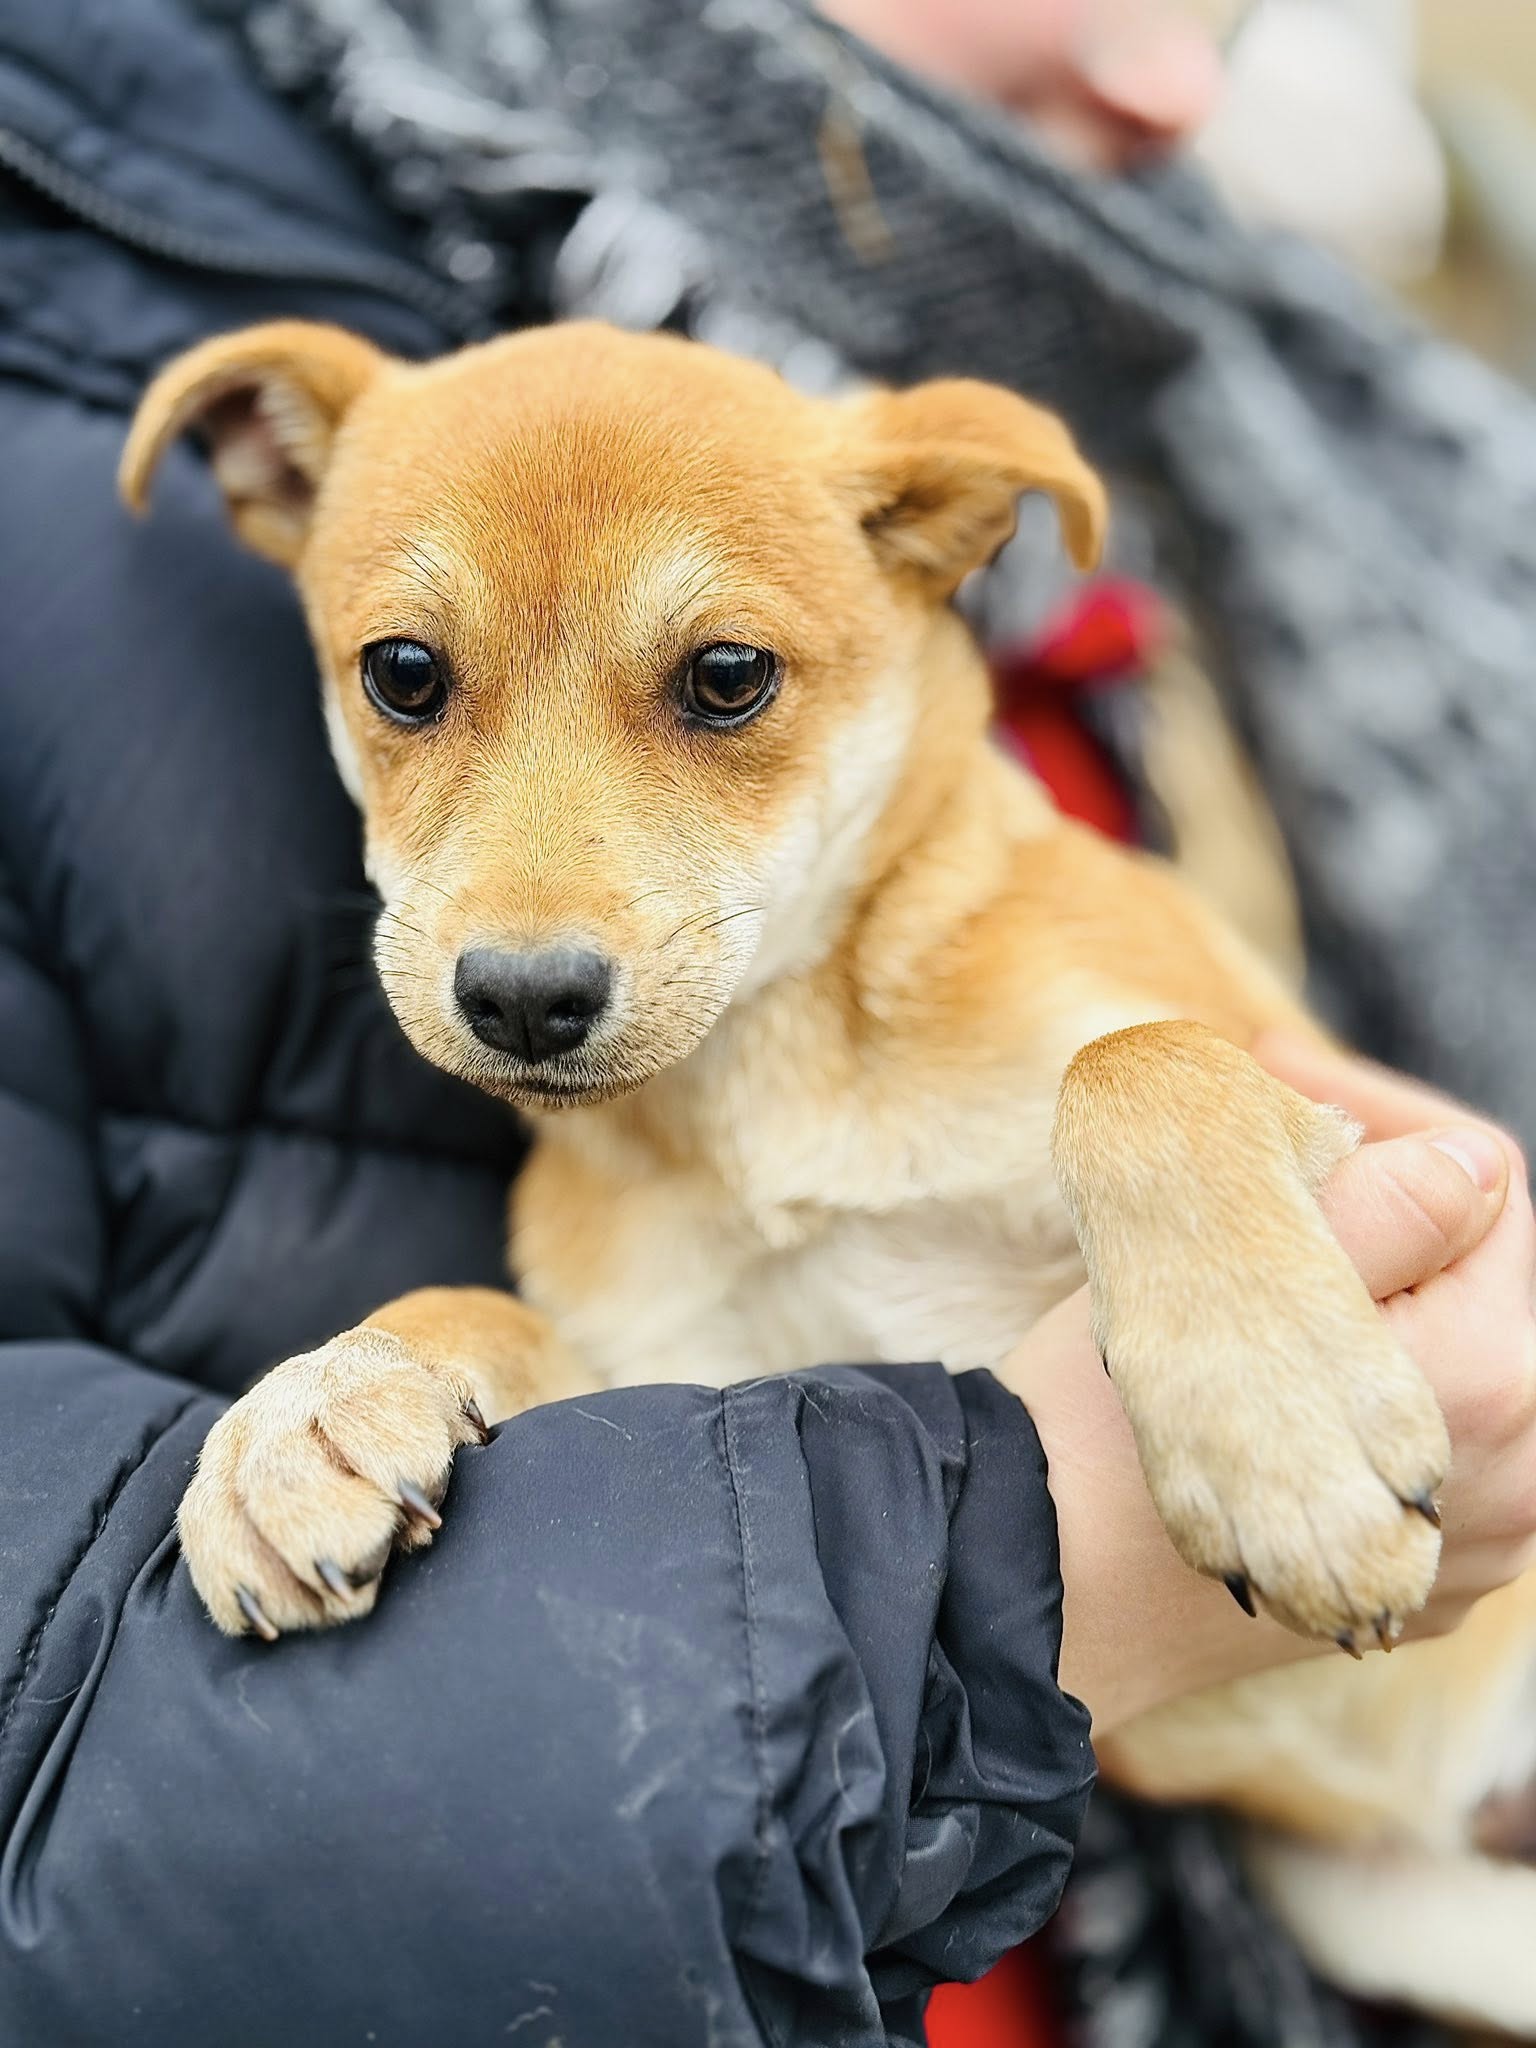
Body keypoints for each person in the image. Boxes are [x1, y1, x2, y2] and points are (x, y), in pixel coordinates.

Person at [0, 3, 1532, 2045]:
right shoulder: (588, 1156)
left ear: (942, 540)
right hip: (1314, 1875)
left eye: (718, 686)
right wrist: (409, 1364)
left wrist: (1177, 1132)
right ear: (273, 478)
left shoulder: (1109, 737)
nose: (531, 925)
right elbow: (615, 1463)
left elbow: (1332, 1161)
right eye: (413, 682)